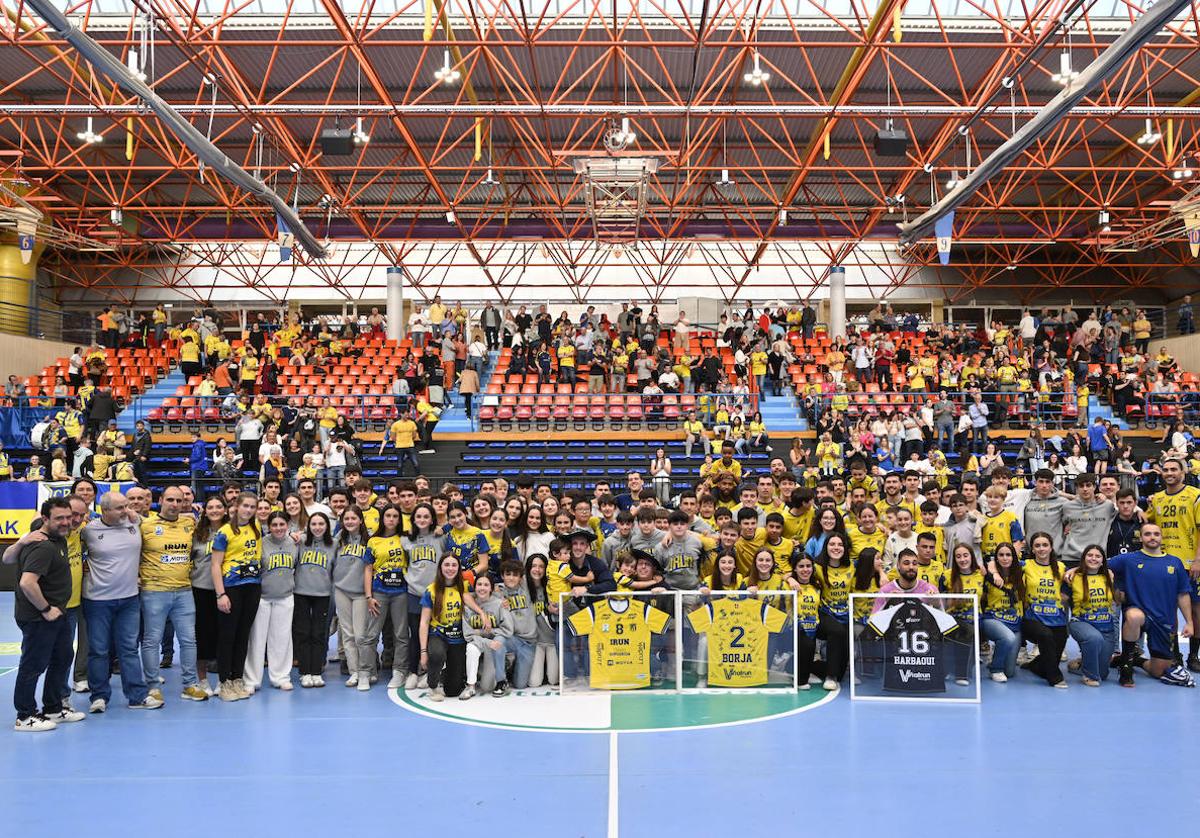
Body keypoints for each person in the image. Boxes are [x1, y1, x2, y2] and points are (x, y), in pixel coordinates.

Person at [12, 499, 87, 731]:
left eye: (69, 516)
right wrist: (45, 609)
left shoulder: (58, 537)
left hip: (58, 614)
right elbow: (27, 583)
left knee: (62, 657)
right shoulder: (42, 545)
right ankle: (25, 716)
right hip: (39, 617)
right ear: (45, 519)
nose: (66, 522)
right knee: (33, 664)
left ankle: (53, 708)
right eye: (59, 518)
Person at [1105, 523, 1195, 687]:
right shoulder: (1128, 559)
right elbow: (1096, 563)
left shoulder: (1175, 563)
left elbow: (1183, 594)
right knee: (1133, 616)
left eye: (1156, 534)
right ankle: (1126, 665)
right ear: (1141, 538)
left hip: (1164, 621)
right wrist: (1073, 571)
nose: (1152, 537)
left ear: (1161, 537)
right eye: (1147, 534)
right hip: (1139, 612)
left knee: (1158, 671)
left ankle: (1137, 660)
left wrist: (1189, 622)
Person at [138, 486, 206, 703]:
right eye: (170, 500)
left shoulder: (189, 523)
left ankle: (189, 685)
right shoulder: (145, 525)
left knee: (189, 640)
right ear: (160, 500)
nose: (175, 504)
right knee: (151, 640)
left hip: (184, 591)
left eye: (179, 500)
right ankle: (153, 687)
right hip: (154, 591)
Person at [210, 493, 263, 702]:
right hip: (231, 588)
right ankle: (224, 682)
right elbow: (215, 565)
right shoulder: (224, 532)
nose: (249, 510)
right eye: (245, 506)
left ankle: (237, 678)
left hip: (252, 587)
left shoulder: (256, 527)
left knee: (243, 635)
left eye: (252, 507)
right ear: (236, 507)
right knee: (228, 636)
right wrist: (220, 593)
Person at [419, 554, 488, 701]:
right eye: (447, 565)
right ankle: (433, 684)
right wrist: (424, 652)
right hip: (438, 634)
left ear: (458, 568)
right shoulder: (431, 590)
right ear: (440, 567)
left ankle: (444, 674)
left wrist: (481, 612)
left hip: (457, 637)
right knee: (437, 654)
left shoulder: (463, 586)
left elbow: (470, 598)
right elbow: (424, 622)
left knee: (453, 691)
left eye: (454, 565)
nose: (450, 568)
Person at [243, 512, 297, 692]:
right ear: (269, 526)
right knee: (256, 639)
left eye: (282, 524)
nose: (279, 528)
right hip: (262, 598)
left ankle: (280, 677)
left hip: (285, 596)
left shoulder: (294, 543)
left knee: (281, 639)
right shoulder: (261, 543)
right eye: (275, 525)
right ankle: (252, 680)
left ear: (287, 525)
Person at [364, 505, 411, 691]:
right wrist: (369, 596)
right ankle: (367, 670)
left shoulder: (406, 539)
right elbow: (368, 569)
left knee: (401, 634)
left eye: (395, 516)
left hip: (401, 592)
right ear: (382, 518)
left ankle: (399, 671)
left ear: (399, 519)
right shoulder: (373, 541)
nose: (391, 519)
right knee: (372, 634)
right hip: (379, 592)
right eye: (388, 516)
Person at [293, 508, 337, 688]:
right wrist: (292, 534)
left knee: (319, 633)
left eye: (321, 524)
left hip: (324, 594)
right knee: (303, 633)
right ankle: (305, 671)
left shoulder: (334, 544)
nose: (317, 527)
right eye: (314, 524)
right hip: (301, 593)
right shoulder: (301, 541)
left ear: (327, 526)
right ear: (308, 526)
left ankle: (317, 671)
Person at [1019, 532, 1068, 688]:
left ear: (1051, 547)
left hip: (1056, 617)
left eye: (1045, 545)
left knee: (1055, 652)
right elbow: (1000, 564)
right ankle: (1055, 678)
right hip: (1031, 618)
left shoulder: (1060, 567)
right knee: (1046, 636)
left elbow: (1079, 574)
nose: (1041, 549)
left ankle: (1035, 666)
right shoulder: (1025, 565)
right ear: (1032, 549)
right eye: (1037, 546)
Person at [1066, 545, 1117, 687]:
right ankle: (1089, 675)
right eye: (1090, 555)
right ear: (1083, 558)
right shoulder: (1073, 576)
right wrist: (1074, 569)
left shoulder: (1109, 576)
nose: (1093, 558)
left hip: (1106, 627)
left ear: (1103, 560)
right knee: (1094, 638)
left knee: (1103, 674)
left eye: (1097, 556)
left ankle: (1082, 664)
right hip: (1081, 623)